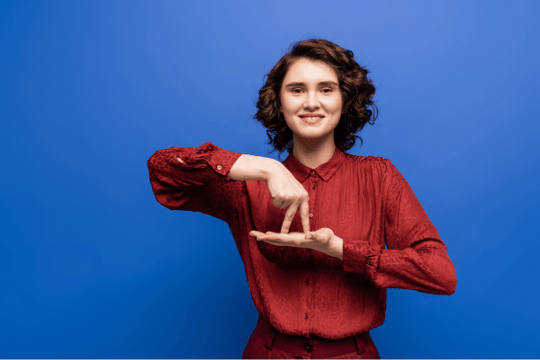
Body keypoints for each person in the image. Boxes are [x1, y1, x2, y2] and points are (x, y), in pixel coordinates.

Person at [147, 38, 457, 360]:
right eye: (297, 90)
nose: (311, 102)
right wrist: (264, 168)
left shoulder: (380, 178)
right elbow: (163, 172)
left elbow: (440, 273)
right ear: (279, 103)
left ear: (345, 100)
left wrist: (340, 250)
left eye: (326, 89)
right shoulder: (247, 186)